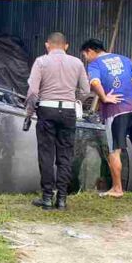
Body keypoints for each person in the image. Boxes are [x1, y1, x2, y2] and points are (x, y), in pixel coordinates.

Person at [80, 38, 132, 205]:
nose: (86, 58)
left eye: (85, 55)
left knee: (115, 150)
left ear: (91, 51)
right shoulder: (125, 59)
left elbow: (94, 82)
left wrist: (104, 97)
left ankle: (117, 188)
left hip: (116, 112)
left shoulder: (95, 64)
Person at [25, 32, 90, 210]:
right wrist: (74, 101)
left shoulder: (41, 62)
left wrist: (29, 113)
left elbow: (32, 93)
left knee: (46, 155)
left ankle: (47, 198)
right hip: (68, 111)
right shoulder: (77, 63)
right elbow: (85, 90)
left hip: (46, 109)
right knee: (65, 155)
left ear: (47, 45)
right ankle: (61, 199)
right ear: (66, 46)